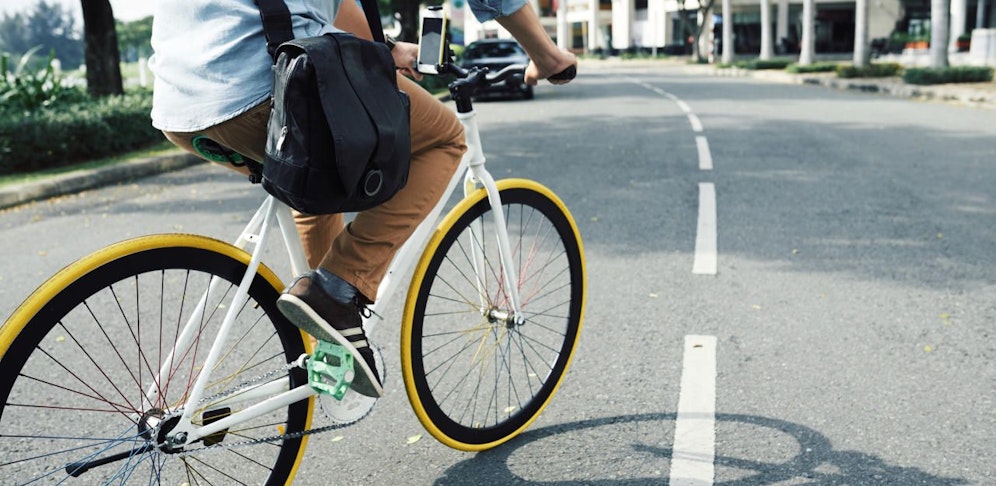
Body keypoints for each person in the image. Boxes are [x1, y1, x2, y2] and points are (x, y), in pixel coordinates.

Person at [149, 0, 576, 399]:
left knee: (315, 171)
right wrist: (546, 56)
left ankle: (331, 338)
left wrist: (383, 50)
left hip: (180, 108)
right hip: (271, 82)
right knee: (445, 138)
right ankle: (338, 289)